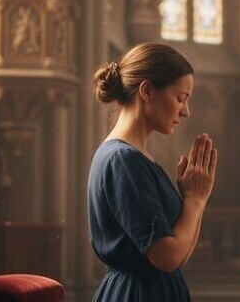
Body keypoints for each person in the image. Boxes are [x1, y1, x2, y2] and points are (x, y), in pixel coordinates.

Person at [88, 43, 217, 301]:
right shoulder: (123, 160)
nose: (186, 110)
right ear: (147, 90)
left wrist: (197, 199)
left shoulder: (136, 157)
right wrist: (193, 200)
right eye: (180, 98)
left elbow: (181, 255)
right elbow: (167, 257)